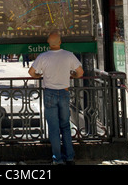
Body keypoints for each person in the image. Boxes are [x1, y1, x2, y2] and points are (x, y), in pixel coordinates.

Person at [28, 31, 83, 165]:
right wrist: (74, 76)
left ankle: (57, 159)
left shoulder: (43, 56)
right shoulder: (68, 55)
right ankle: (69, 156)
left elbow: (31, 72)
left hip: (49, 93)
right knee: (65, 125)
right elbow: (80, 72)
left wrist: (38, 77)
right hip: (64, 93)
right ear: (60, 42)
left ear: (48, 43)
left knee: (53, 128)